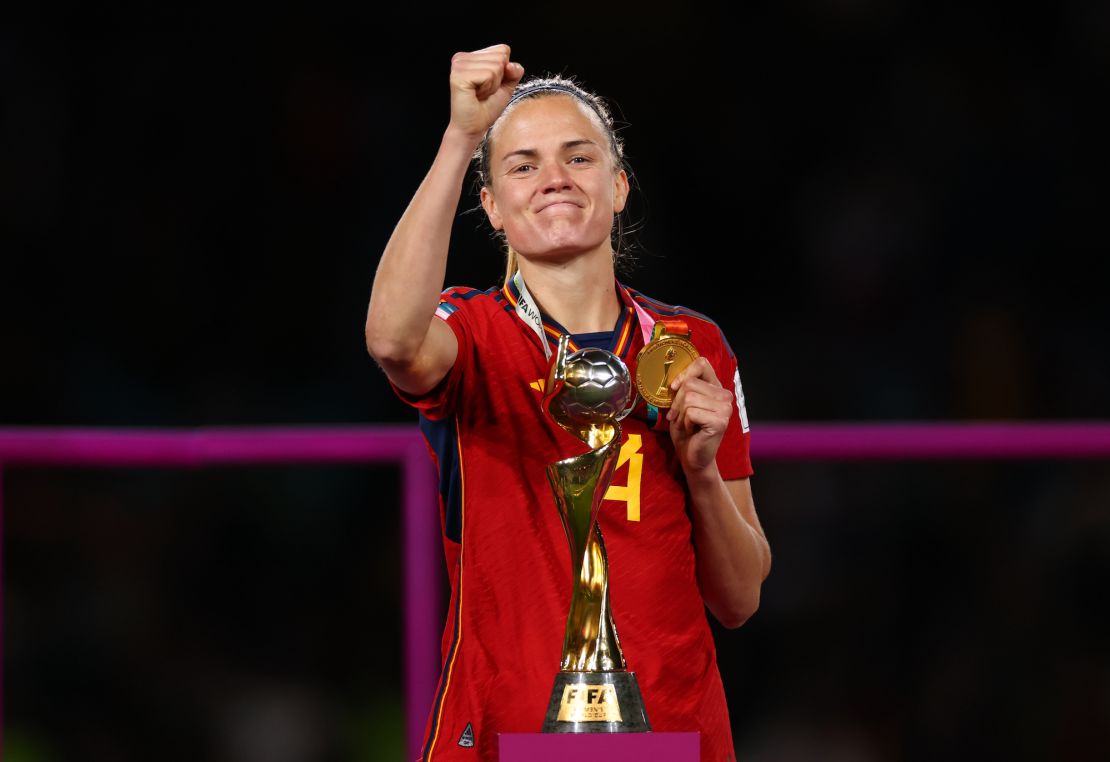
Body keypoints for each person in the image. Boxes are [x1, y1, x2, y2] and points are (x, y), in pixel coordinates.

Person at [365, 44, 771, 762]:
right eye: (522, 165)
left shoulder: (691, 344)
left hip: (674, 731)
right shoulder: (473, 333)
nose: (553, 178)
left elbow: (740, 598)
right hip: (505, 727)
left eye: (579, 158)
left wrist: (702, 471)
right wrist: (462, 137)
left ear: (619, 186)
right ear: (489, 205)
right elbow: (394, 341)